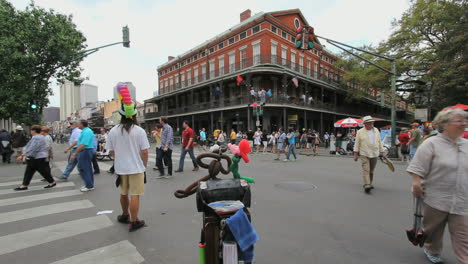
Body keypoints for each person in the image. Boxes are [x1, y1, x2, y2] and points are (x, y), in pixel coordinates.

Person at [406, 108, 468, 264]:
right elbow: (417, 168)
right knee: (433, 231)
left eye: (464, 121)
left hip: (462, 200)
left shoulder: (466, 145)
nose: (463, 124)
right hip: (436, 198)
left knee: (464, 235)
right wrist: (416, 183)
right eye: (458, 121)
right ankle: (432, 250)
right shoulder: (431, 143)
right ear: (444, 124)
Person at [106, 96, 149, 232]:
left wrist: (119, 158)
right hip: (136, 168)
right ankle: (134, 220)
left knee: (123, 193)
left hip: (121, 168)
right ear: (135, 114)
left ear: (120, 114)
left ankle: (125, 215)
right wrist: (144, 165)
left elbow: (111, 152)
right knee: (135, 195)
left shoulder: (113, 131)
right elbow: (145, 152)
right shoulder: (139, 131)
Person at [14, 125, 56, 190]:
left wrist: (23, 155)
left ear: (34, 131)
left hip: (36, 157)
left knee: (40, 171)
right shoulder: (38, 137)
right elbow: (29, 146)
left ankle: (52, 182)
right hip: (37, 157)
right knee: (30, 171)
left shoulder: (37, 138)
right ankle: (25, 185)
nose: (30, 131)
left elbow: (33, 148)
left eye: (31, 130)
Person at [353, 116, 384, 193]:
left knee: (371, 171)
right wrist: (355, 154)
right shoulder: (360, 132)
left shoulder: (376, 130)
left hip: (374, 153)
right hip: (364, 153)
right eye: (369, 122)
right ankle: (367, 184)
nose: (371, 124)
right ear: (365, 124)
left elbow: (379, 141)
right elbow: (357, 143)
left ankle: (369, 183)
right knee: (366, 169)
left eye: (372, 122)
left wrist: (382, 151)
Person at [70, 120, 96, 192]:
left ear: (82, 124)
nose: (78, 125)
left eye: (78, 123)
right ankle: (89, 184)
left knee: (83, 168)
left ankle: (89, 185)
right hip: (85, 151)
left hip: (85, 151)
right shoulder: (85, 131)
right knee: (86, 168)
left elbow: (83, 144)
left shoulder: (86, 131)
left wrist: (75, 153)